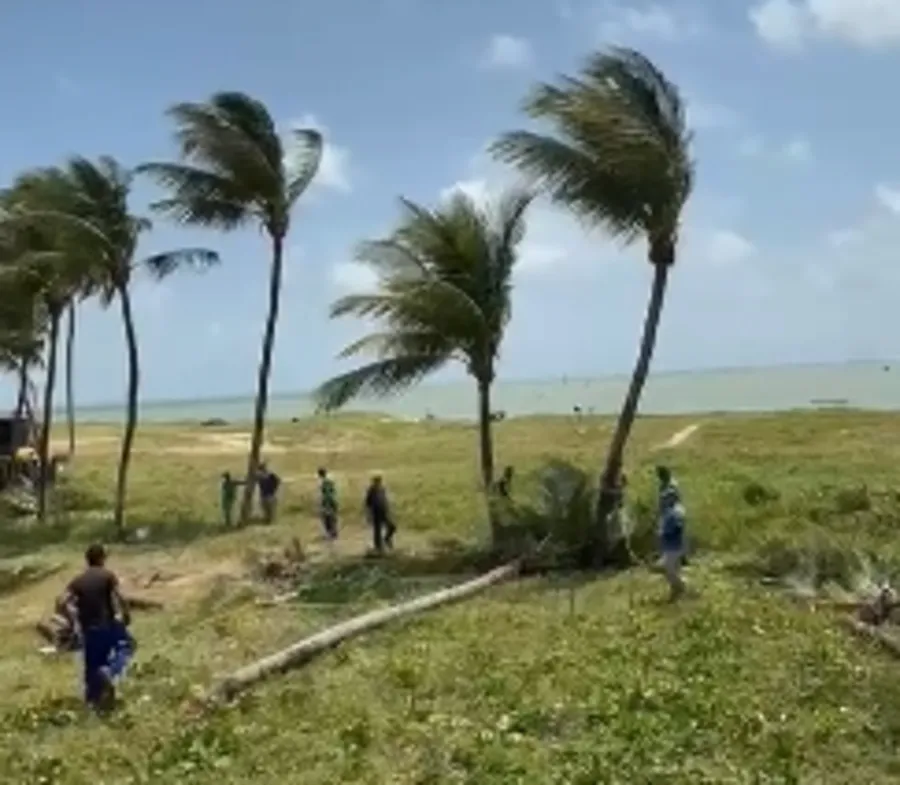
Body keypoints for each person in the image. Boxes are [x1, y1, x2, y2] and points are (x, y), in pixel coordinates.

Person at [57, 544, 134, 709]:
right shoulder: (107, 575)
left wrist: (72, 619)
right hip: (106, 625)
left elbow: (61, 602)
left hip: (87, 629)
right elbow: (121, 597)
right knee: (125, 648)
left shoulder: (78, 581)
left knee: (91, 666)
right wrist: (126, 616)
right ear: (102, 558)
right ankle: (109, 674)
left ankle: (92, 702)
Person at [656, 465, 687, 601]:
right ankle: (677, 591)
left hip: (673, 545)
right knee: (672, 569)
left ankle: (681, 587)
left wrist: (662, 531)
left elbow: (674, 529)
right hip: (671, 545)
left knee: (669, 570)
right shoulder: (671, 511)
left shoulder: (674, 513)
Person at [364, 475, 395, 553]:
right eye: (376, 482)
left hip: (384, 511)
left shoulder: (382, 489)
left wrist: (389, 510)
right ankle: (378, 547)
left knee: (392, 526)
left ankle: (386, 538)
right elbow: (368, 503)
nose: (378, 483)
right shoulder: (371, 490)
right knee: (377, 531)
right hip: (376, 512)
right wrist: (369, 514)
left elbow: (385, 500)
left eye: (379, 482)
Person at [317, 467, 338, 540]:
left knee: (328, 518)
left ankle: (331, 533)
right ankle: (333, 532)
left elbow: (327, 494)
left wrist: (325, 504)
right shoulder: (330, 480)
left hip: (328, 502)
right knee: (332, 518)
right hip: (333, 500)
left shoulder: (325, 482)